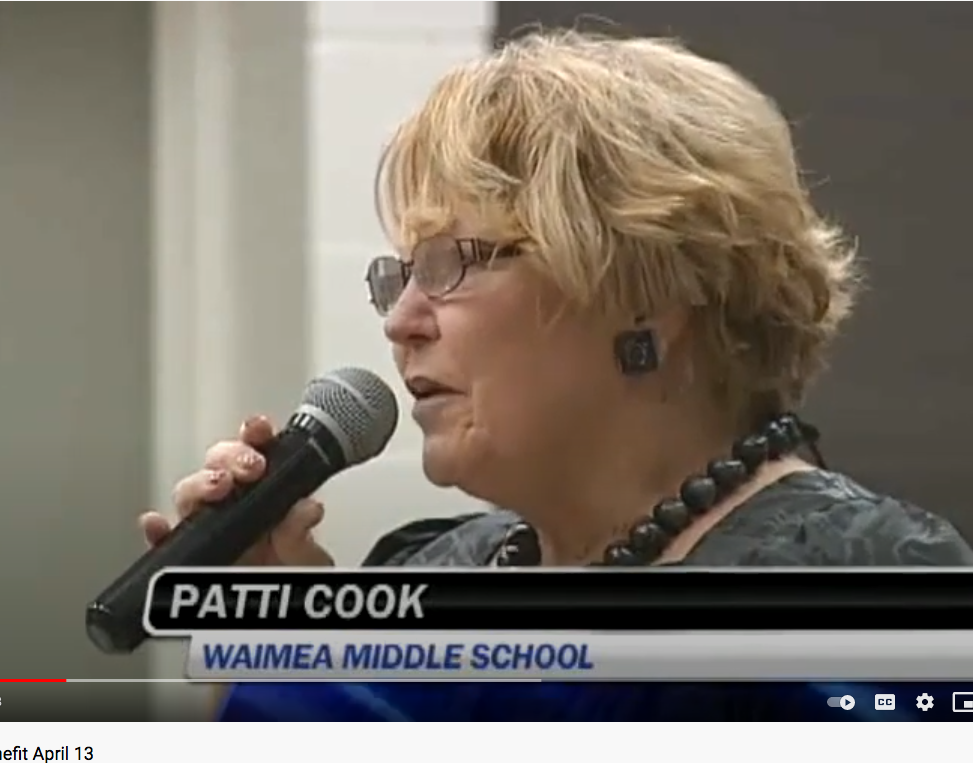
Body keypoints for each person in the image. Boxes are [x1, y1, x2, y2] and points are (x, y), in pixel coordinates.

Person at [140, 29, 973, 718]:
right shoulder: (431, 573)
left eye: (451, 264)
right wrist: (282, 634)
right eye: (401, 275)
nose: (400, 322)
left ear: (647, 295)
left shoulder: (861, 579)